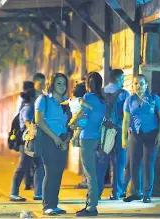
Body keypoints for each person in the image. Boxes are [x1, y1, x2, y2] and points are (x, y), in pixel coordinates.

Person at [122, 74, 160, 203]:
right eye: (135, 83)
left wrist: (159, 134)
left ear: (146, 85)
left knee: (148, 164)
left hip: (152, 134)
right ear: (132, 85)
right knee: (134, 165)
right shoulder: (129, 100)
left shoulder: (154, 98)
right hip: (135, 134)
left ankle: (147, 194)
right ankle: (136, 192)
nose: (138, 86)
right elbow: (126, 120)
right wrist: (124, 139)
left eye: (141, 83)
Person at [69, 72, 106, 217]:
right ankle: (91, 203)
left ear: (88, 84)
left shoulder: (88, 97)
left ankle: (91, 207)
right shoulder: (102, 100)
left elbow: (80, 114)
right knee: (94, 173)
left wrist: (71, 123)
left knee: (90, 173)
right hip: (97, 138)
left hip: (87, 139)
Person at [35, 73, 70, 216]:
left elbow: (69, 123)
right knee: (50, 172)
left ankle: (54, 205)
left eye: (64, 84)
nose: (62, 87)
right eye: (58, 83)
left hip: (62, 139)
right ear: (52, 84)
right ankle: (47, 206)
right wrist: (55, 138)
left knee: (58, 173)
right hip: (49, 139)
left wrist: (66, 139)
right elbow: (39, 121)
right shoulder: (43, 99)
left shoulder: (67, 102)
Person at [96, 69, 130, 200]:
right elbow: (128, 115)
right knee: (119, 163)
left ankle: (97, 192)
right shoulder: (124, 94)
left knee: (102, 161)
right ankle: (116, 192)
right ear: (119, 78)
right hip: (119, 130)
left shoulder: (101, 93)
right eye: (122, 79)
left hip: (104, 131)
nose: (123, 81)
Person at [9, 88, 44, 202]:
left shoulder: (33, 107)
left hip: (34, 141)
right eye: (38, 95)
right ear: (33, 97)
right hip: (27, 142)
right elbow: (27, 122)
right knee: (23, 167)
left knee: (39, 165)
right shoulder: (28, 108)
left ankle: (38, 193)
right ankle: (14, 193)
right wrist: (32, 129)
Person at [62, 82, 93, 147]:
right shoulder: (80, 99)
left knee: (76, 129)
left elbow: (65, 102)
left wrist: (60, 103)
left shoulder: (70, 100)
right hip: (82, 118)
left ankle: (75, 141)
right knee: (80, 128)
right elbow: (83, 104)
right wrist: (90, 107)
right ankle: (74, 139)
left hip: (74, 118)